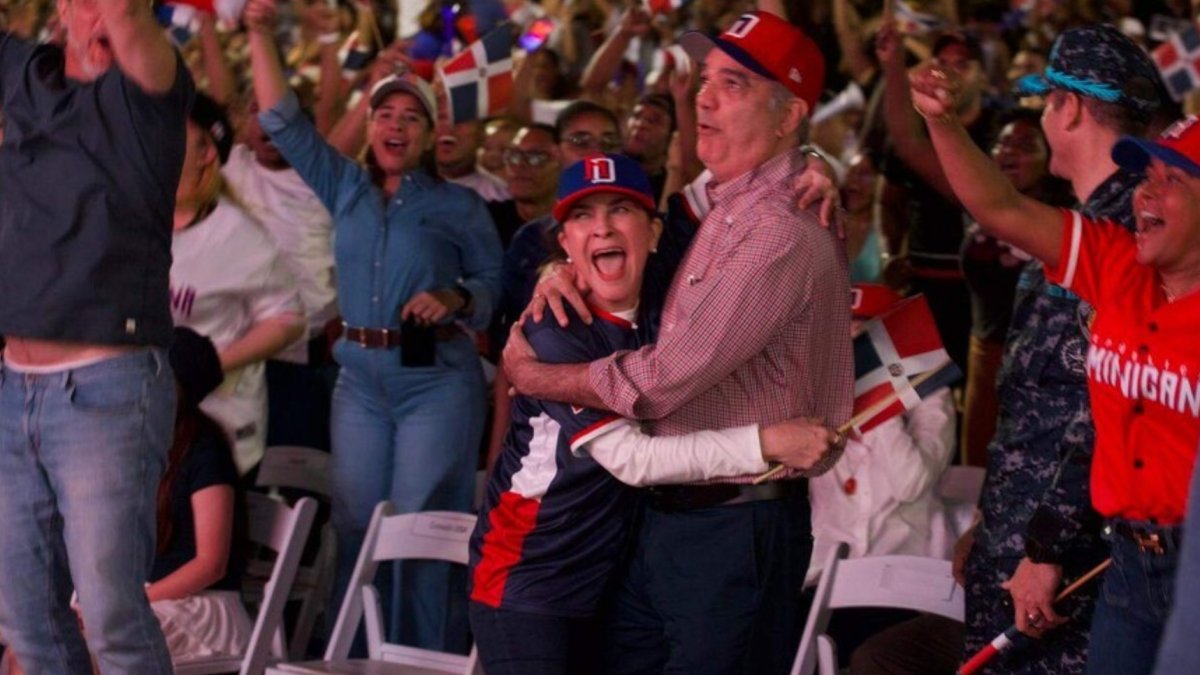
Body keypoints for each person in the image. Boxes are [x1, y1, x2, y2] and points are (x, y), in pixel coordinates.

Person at [504, 12, 852, 674]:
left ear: (788, 116)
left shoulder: (778, 229)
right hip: (673, 517)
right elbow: (618, 227)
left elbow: (661, 379)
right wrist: (564, 263)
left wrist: (536, 375)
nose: (704, 97)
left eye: (735, 84)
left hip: (735, 525)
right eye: (704, 79)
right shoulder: (723, 202)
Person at [912, 56, 1200, 675]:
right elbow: (1001, 209)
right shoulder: (1117, 263)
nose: (1145, 194)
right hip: (1125, 562)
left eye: (1171, 181)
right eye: (1143, 176)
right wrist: (942, 123)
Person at [245, 0, 502, 650]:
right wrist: (255, 31)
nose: (395, 123)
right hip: (357, 381)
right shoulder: (345, 188)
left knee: (416, 528)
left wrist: (457, 295)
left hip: (435, 383)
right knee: (356, 525)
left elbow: (497, 290)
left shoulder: (461, 205)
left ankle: (418, 660)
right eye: (385, 112)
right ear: (370, 126)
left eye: (411, 116)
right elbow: (282, 118)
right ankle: (351, 656)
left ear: (429, 135)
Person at [0, 0, 193, 670]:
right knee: (28, 619)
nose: (98, 11)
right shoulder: (24, 72)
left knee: (111, 617)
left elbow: (130, 26)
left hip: (107, 388)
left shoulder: (150, 91)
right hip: (14, 387)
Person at [171, 92, 306, 475]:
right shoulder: (136, 222)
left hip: (219, 430)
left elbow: (288, 319)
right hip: (150, 427)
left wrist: (212, 363)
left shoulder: (239, 236)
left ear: (206, 154)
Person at [222, 95, 339, 452]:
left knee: (295, 481)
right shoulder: (227, 165)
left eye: (279, 114)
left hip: (303, 364)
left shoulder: (331, 181)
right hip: (235, 361)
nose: (267, 124)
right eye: (256, 111)